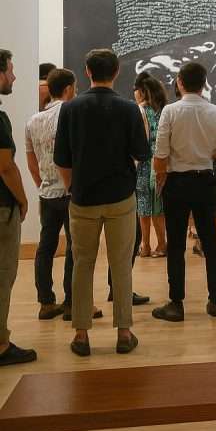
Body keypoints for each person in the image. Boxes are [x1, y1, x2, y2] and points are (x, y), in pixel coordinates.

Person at [54, 48, 149, 356]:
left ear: (87, 71)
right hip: (121, 197)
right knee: (121, 265)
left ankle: (81, 334)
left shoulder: (70, 109)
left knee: (82, 264)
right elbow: (142, 153)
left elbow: (61, 158)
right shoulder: (129, 109)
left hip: (83, 198)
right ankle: (124, 332)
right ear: (117, 71)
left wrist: (72, 186)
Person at [151, 60, 216, 322]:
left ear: (179, 82)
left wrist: (160, 177)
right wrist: (204, 150)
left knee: (175, 244)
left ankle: (176, 303)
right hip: (205, 180)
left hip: (176, 182)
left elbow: (160, 153)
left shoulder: (170, 111)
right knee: (210, 241)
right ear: (204, 84)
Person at [25, 68, 100, 321]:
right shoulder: (73, 114)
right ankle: (72, 303)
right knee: (75, 248)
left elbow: (32, 162)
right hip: (72, 191)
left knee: (45, 247)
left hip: (47, 193)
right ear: (68, 89)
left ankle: (46, 302)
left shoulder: (33, 121)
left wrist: (42, 185)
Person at [0, 49, 37, 365]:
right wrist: (23, 199)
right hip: (1, 208)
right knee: (3, 273)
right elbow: (5, 165)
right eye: (10, 71)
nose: (13, 77)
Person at [133, 73, 168, 258]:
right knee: (158, 207)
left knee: (143, 208)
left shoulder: (139, 111)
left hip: (144, 163)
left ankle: (145, 245)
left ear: (142, 91)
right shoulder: (164, 111)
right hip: (161, 162)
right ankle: (162, 244)